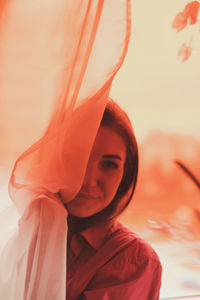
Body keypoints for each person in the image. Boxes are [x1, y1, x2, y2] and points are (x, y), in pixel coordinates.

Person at [59, 100, 162, 300]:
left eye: (108, 164)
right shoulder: (28, 234)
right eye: (76, 157)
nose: (87, 180)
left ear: (125, 173)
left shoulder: (133, 260)